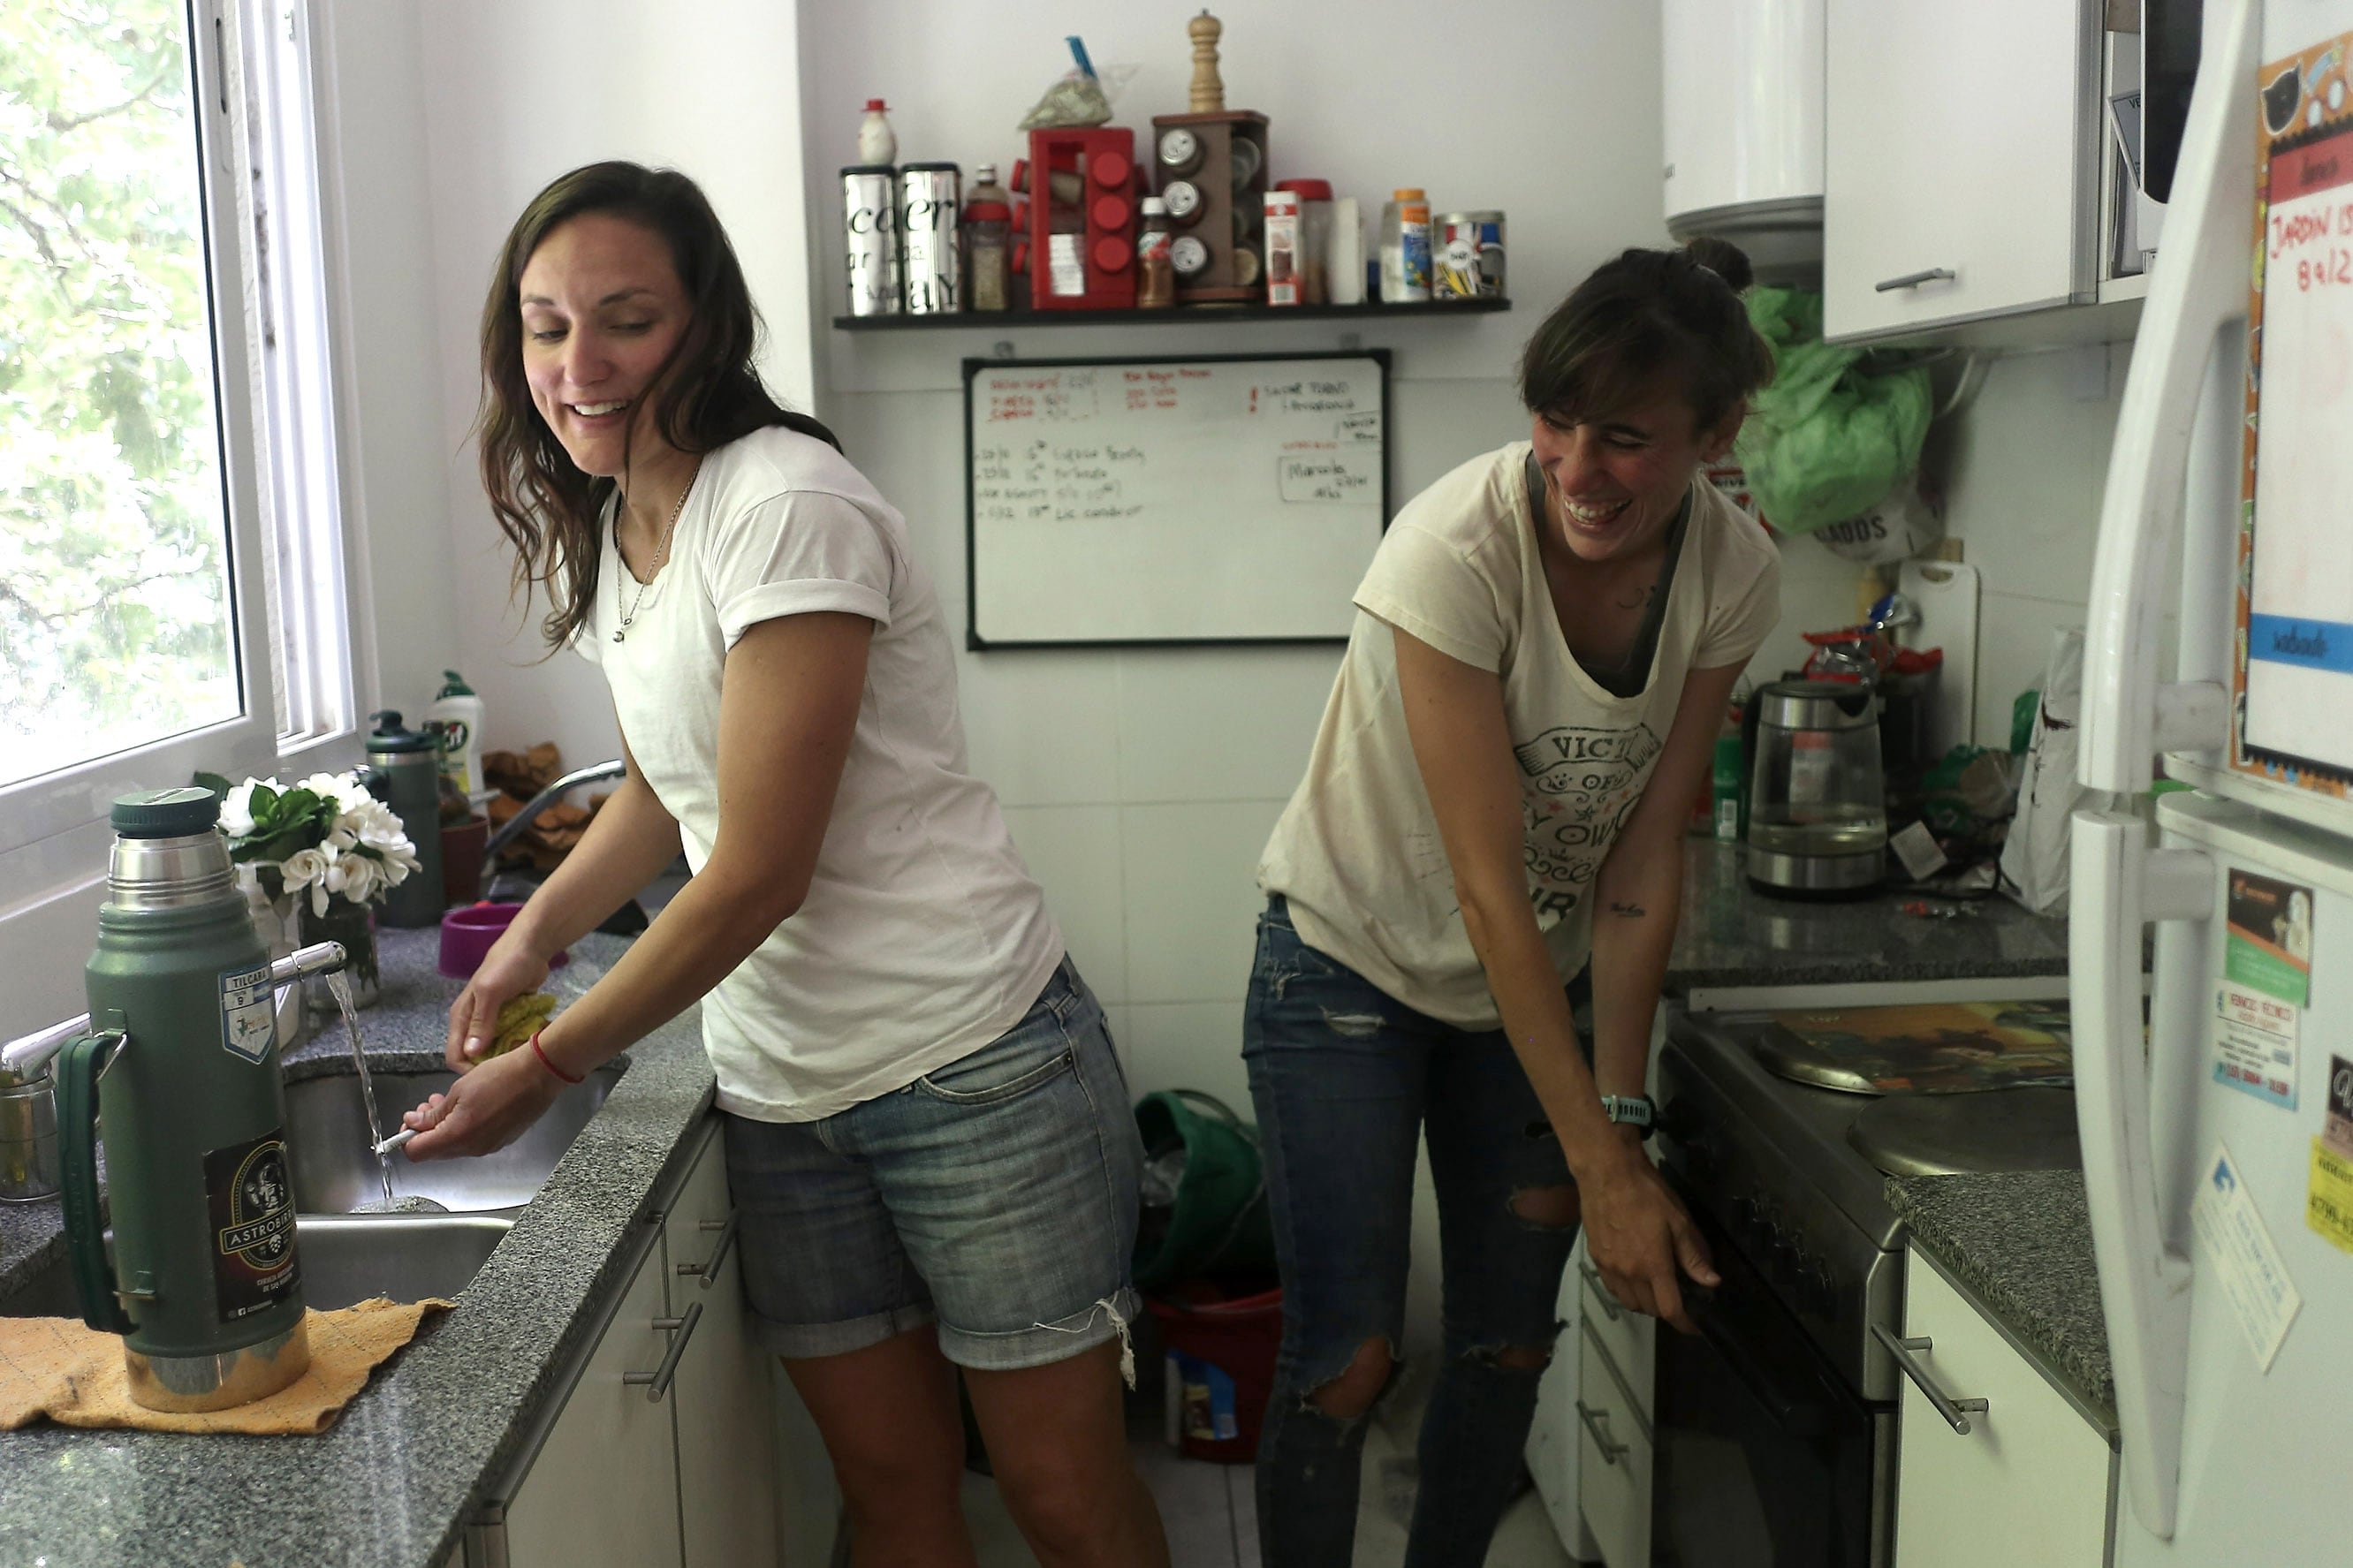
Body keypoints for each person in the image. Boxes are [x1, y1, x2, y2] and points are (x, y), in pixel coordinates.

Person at [398, 162, 1167, 1568]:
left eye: (624, 319)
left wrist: (550, 1059)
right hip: (782, 1093)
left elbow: (756, 868)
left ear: (706, 324)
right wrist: (530, 930)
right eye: (546, 325)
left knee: (1063, 1498)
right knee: (891, 1497)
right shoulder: (622, 517)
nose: (580, 365)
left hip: (972, 1065)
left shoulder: (785, 505)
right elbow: (665, 780)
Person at [1243, 237, 1781, 1565]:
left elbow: (1648, 863)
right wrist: (1603, 1164)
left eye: (1625, 438)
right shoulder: (1453, 548)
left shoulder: (1737, 573)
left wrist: (1623, 1109)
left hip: (1525, 992)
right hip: (1346, 972)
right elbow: (1486, 882)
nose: (1577, 471)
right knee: (1349, 1357)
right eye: (1553, 423)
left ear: (1716, 433)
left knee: (1505, 1349)